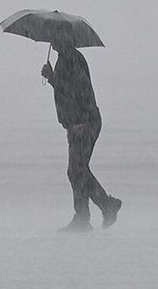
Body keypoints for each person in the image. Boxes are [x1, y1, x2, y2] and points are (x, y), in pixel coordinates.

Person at [41, 28, 122, 231]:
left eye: (54, 38)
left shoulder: (73, 59)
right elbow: (66, 89)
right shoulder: (64, 58)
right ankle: (87, 215)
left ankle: (98, 209)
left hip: (85, 123)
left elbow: (82, 91)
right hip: (76, 123)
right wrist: (51, 78)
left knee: (76, 170)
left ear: (63, 38)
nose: (51, 42)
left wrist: (82, 122)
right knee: (76, 171)